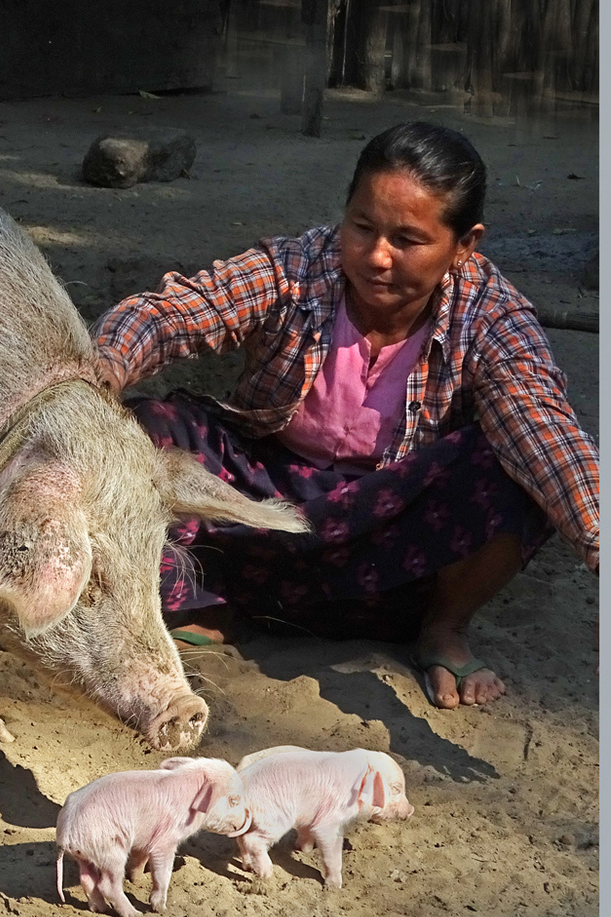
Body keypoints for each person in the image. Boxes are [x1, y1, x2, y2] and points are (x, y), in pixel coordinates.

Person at [92, 121, 599, 710]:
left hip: (387, 520)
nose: (377, 256)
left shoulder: (491, 315)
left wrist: (596, 536)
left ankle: (442, 625)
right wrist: (107, 362)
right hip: (258, 495)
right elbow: (181, 311)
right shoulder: (296, 268)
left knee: (507, 476)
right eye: (362, 227)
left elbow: (539, 422)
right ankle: (213, 603)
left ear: (464, 245)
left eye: (408, 240)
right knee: (138, 431)